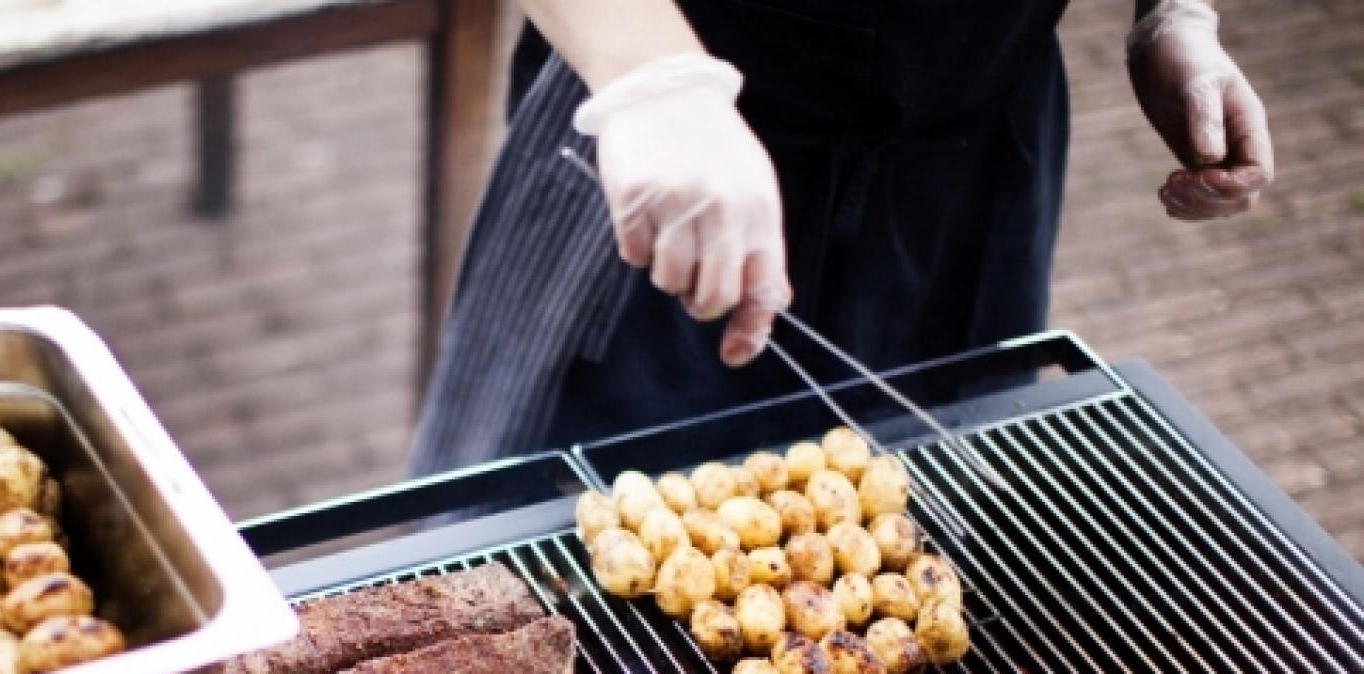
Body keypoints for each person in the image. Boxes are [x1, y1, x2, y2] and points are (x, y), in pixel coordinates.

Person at [410, 0, 1274, 474]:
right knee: (554, 560)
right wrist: (650, 80)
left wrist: (1176, 13)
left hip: (967, 161)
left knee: (933, 527)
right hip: (670, 141)